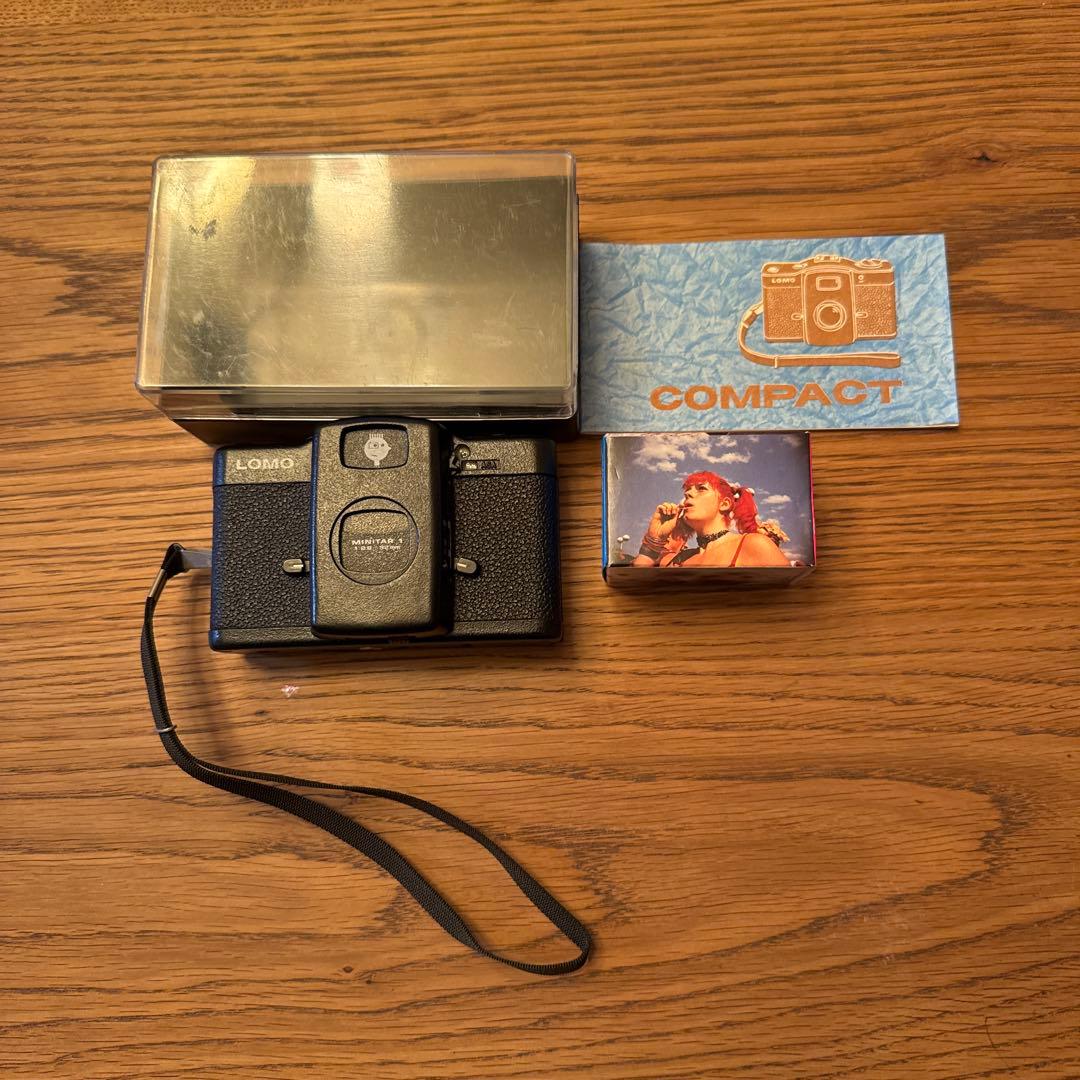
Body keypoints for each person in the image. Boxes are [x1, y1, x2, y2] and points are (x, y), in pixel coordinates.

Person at [633, 471, 790, 568]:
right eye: (687, 491)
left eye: (701, 488)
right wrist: (654, 540)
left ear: (724, 504)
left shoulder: (754, 544)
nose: (688, 494)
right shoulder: (673, 560)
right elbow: (638, 586)